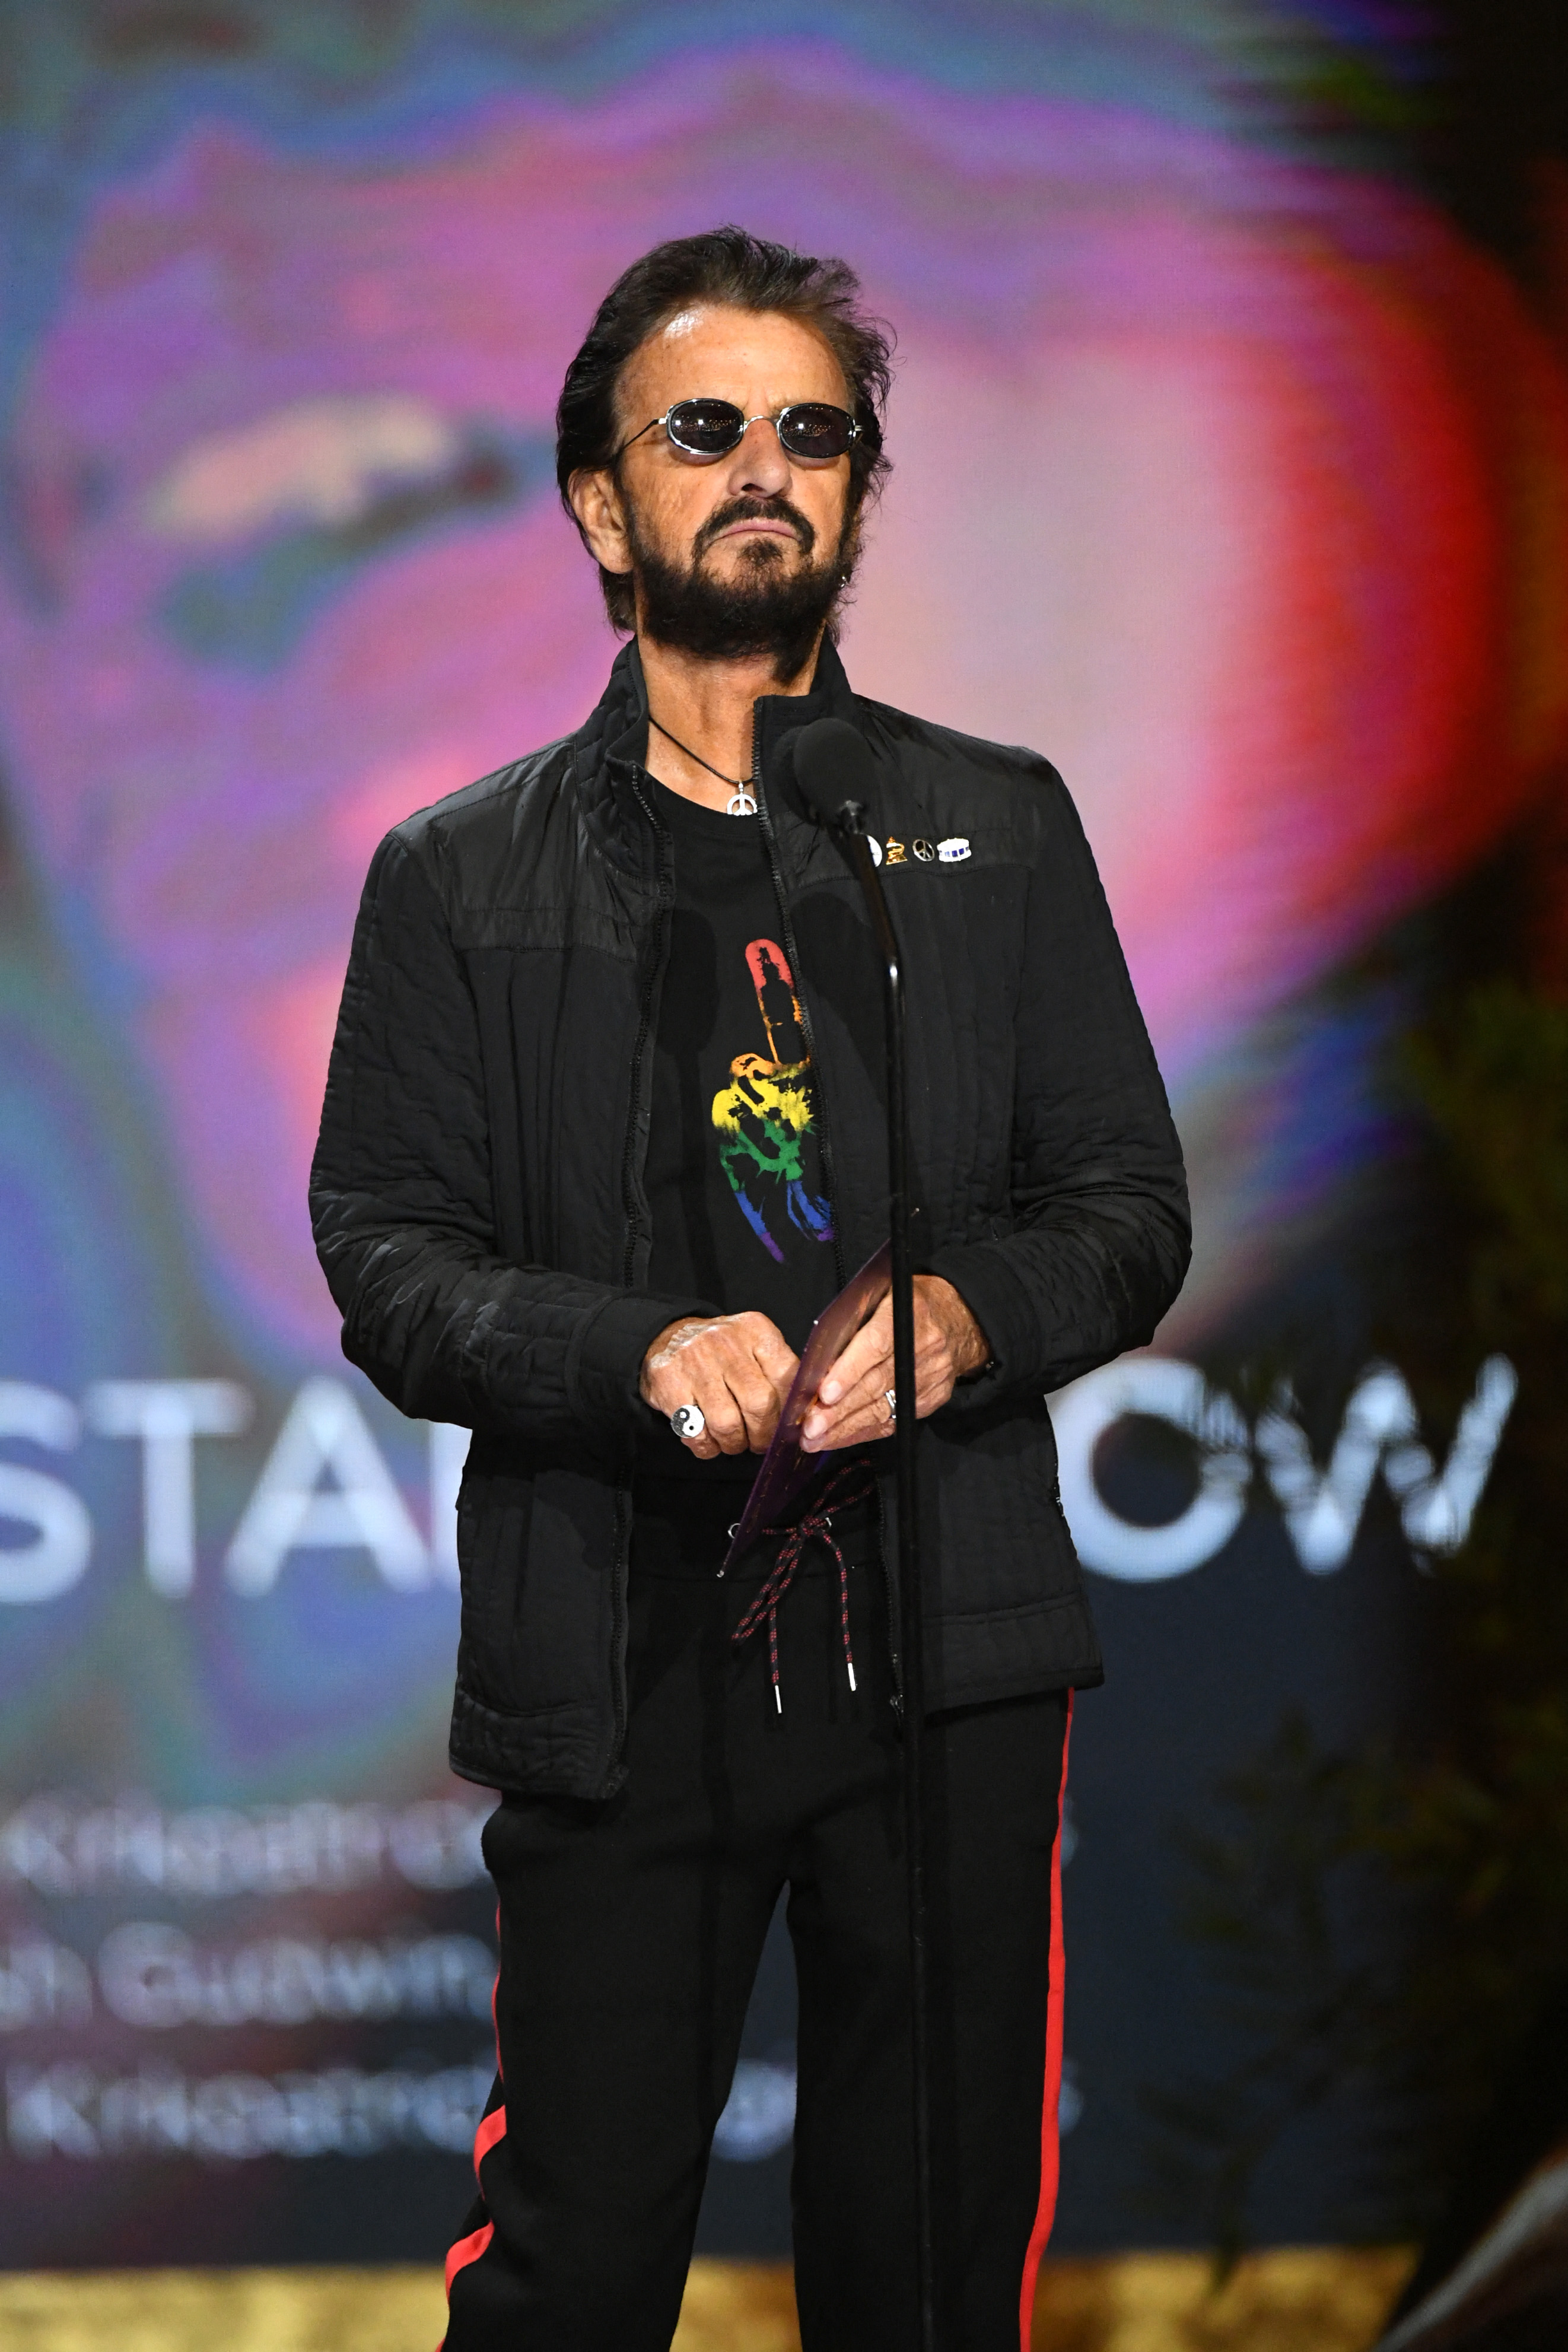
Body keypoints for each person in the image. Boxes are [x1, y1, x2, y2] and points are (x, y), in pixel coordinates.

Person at [310, 225, 1189, 2352]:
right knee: (570, 2278)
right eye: (704, 431)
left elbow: (1119, 1204)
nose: (765, 468)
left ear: (863, 493)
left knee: (923, 2276)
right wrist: (626, 1349)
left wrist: (972, 1314)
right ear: (602, 504)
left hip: (938, 1655)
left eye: (816, 433)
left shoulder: (991, 829)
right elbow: (392, 1258)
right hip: (624, 1655)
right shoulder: (461, 871)